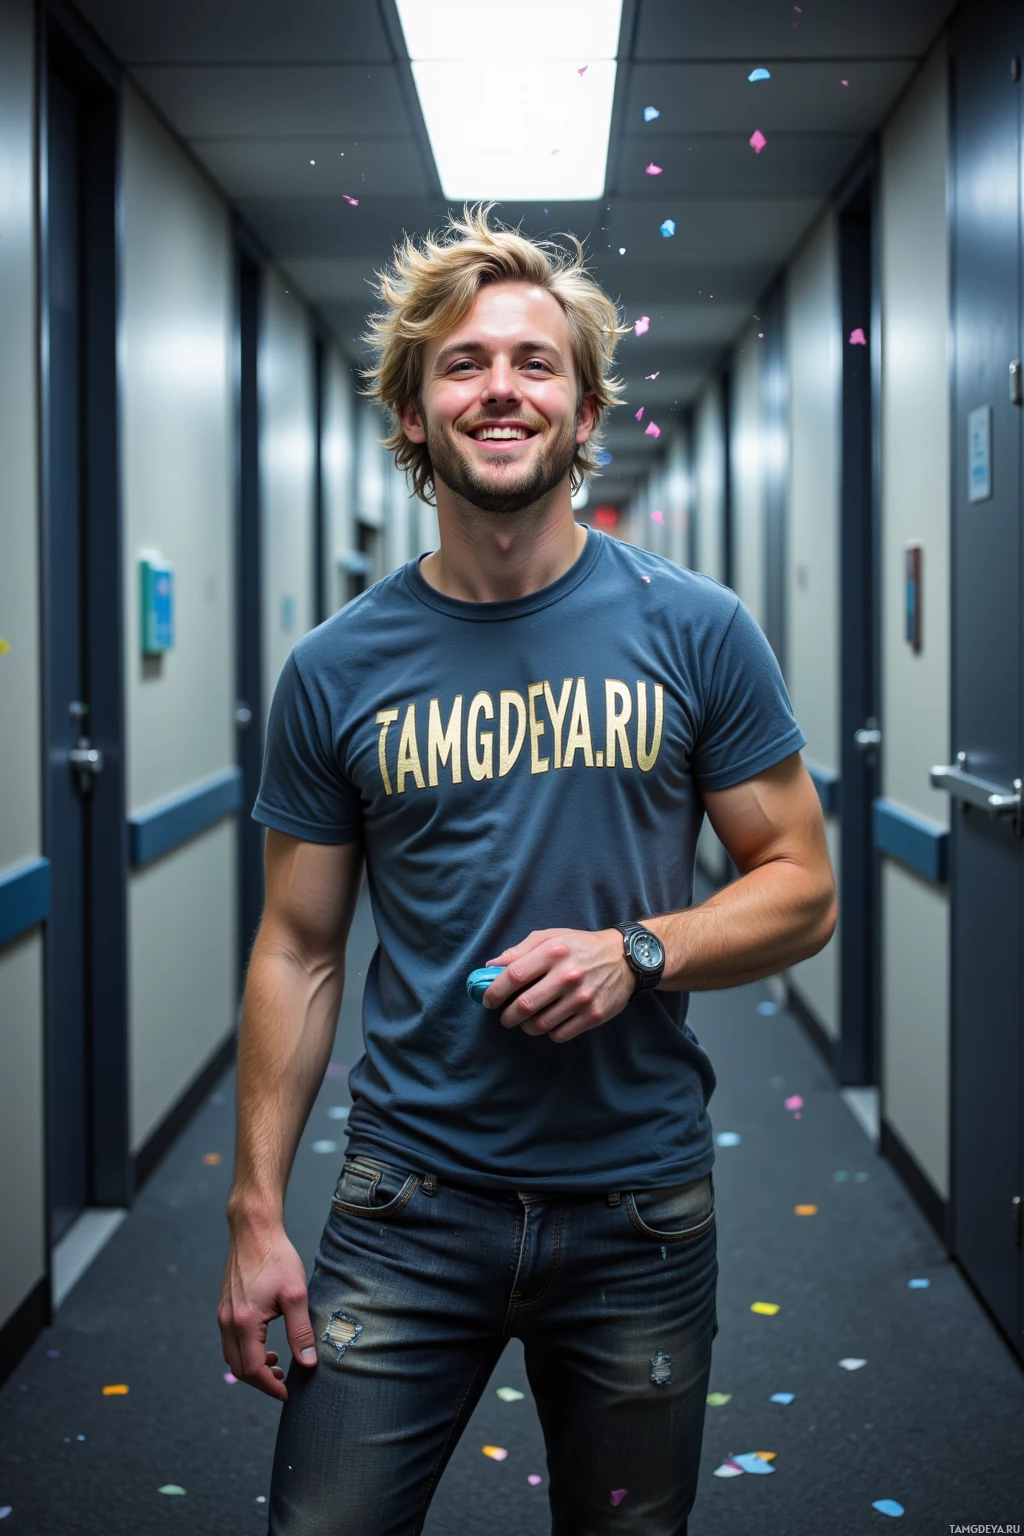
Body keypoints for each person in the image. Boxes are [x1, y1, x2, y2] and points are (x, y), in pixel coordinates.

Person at [218, 205, 836, 1535]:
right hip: (406, 1205)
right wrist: (255, 1210)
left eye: (535, 361)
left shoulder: (696, 630)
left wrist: (642, 950)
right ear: (413, 411)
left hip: (641, 1209)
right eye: (463, 362)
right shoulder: (335, 670)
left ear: (583, 405)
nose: (501, 385)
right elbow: (299, 946)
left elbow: (801, 882)